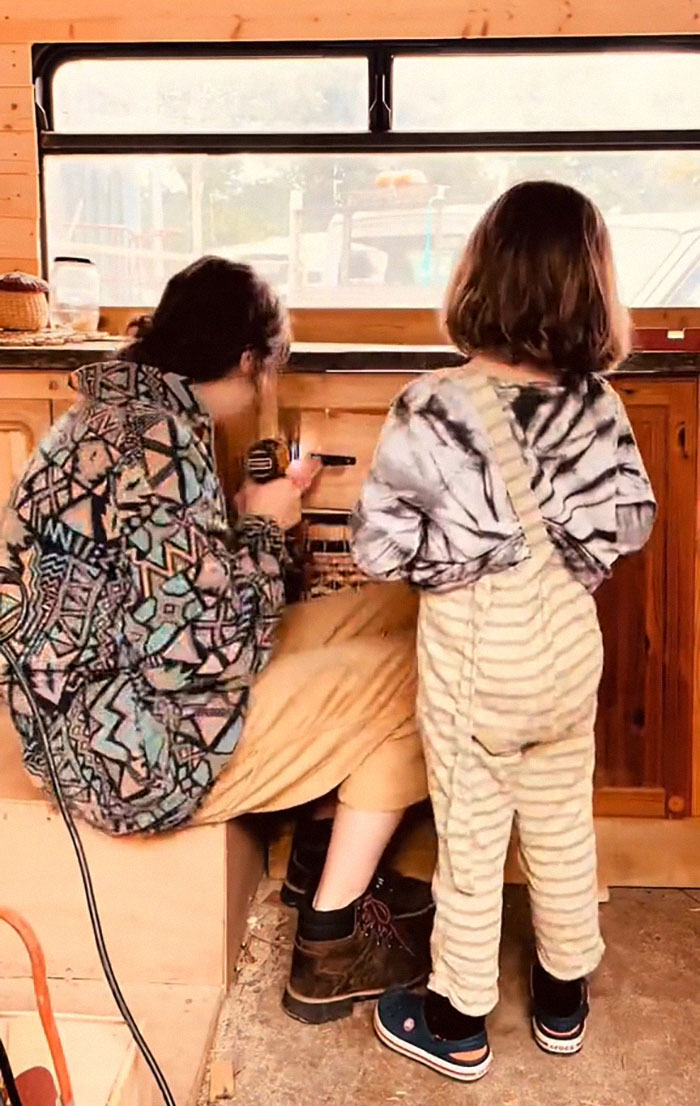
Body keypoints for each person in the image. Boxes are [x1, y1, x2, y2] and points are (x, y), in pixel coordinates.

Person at [0, 256, 431, 1023]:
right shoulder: (162, 447)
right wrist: (264, 528)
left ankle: (317, 855)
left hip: (80, 721)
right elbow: (205, 656)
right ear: (246, 361)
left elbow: (159, 600)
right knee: (425, 669)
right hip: (130, 762)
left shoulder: (105, 415)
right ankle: (330, 940)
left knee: (404, 611)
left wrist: (234, 527)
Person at [351, 181, 656, 1079]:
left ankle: (457, 1018)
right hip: (569, 653)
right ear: (592, 287)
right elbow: (631, 522)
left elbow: (378, 548)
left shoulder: (432, 405)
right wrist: (562, 548)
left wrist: (468, 555)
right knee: (562, 821)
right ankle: (562, 996)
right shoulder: (599, 402)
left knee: (473, 836)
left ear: (480, 274)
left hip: (479, 657)